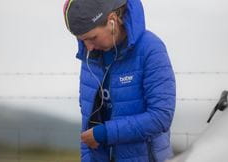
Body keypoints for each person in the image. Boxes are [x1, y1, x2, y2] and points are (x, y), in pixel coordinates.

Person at [63, 0, 176, 161]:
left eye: (92, 37)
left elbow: (161, 116)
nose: (88, 47)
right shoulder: (90, 57)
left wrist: (105, 133)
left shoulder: (151, 49)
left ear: (112, 21)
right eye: (82, 40)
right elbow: (87, 120)